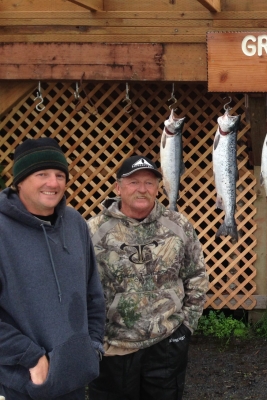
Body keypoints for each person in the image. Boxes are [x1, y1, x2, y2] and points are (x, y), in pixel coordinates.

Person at [87, 155, 208, 400]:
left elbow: (196, 275)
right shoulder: (93, 230)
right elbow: (79, 288)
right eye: (133, 182)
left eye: (149, 183)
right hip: (114, 348)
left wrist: (186, 327)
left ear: (157, 188)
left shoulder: (178, 225)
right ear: (118, 187)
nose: (142, 189)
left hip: (167, 343)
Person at [0, 137, 105, 400]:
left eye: (60, 174)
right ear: (20, 180)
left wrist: (92, 347)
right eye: (42, 174)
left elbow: (93, 292)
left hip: (74, 378)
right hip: (22, 382)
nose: (54, 183)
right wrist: (32, 358)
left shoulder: (75, 223)